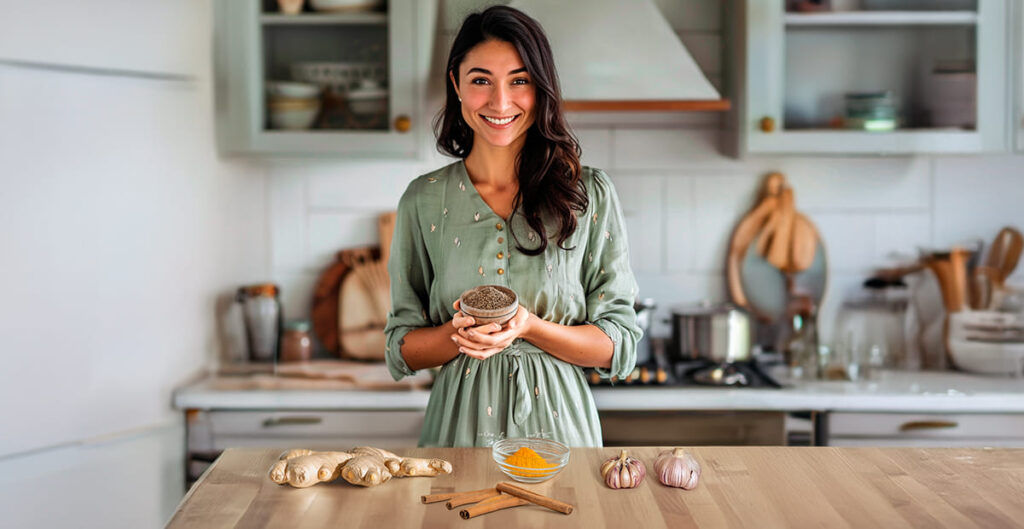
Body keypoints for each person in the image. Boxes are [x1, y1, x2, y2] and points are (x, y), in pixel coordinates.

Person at [383, 5, 640, 448]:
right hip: (457, 433)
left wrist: (529, 327)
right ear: (456, 84)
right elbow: (400, 348)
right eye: (481, 80)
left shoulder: (590, 193)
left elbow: (620, 347)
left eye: (519, 81)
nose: (500, 102)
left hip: (562, 435)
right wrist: (455, 333)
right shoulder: (423, 200)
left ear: (540, 89)